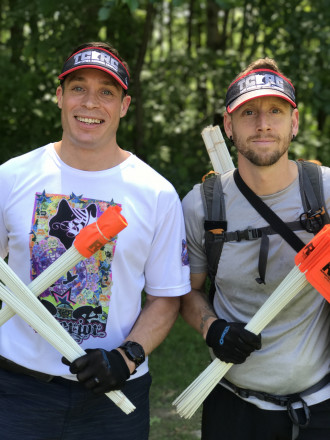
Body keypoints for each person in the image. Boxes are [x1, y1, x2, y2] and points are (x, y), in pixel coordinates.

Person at [0, 41, 190, 440]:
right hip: (14, 392)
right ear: (59, 97)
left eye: (106, 92)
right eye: (78, 88)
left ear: (124, 105)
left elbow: (166, 297)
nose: (90, 103)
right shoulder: (12, 178)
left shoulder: (156, 194)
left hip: (113, 396)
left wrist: (127, 357)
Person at [181, 58, 330, 440]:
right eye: (248, 112)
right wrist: (213, 329)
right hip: (234, 407)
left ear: (294, 123)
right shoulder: (202, 205)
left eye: (276, 111)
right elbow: (187, 293)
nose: (263, 124)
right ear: (228, 126)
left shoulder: (326, 192)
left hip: (322, 405)